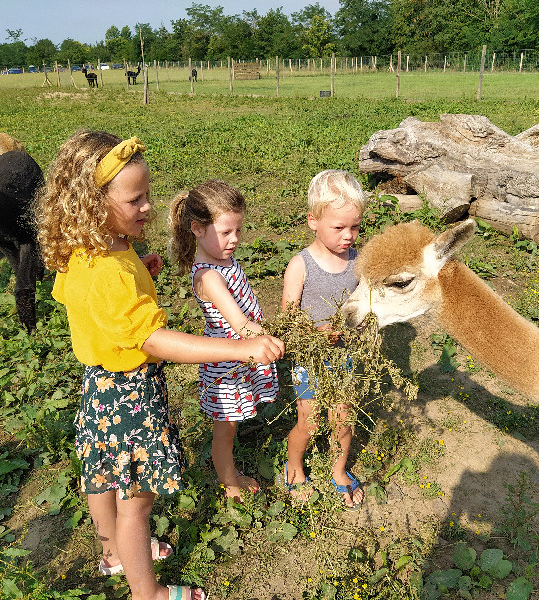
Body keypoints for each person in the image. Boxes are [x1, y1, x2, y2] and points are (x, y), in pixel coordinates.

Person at [35, 131, 284, 600]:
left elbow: (88, 303)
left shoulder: (93, 249)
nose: (148, 206)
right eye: (136, 199)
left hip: (99, 387)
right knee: (137, 501)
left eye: (147, 194)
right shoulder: (108, 269)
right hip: (130, 395)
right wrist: (239, 349)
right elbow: (152, 340)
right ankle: (146, 593)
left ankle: (112, 553)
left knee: (105, 478)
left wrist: (140, 271)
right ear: (93, 202)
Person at [168, 180, 279, 502]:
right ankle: (229, 483)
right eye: (226, 232)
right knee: (224, 431)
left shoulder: (224, 262)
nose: (234, 240)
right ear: (197, 229)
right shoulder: (209, 276)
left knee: (232, 424)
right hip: (227, 365)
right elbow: (240, 325)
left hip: (241, 358)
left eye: (238, 231)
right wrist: (275, 337)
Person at [279, 169, 368, 510]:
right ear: (313, 221)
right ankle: (295, 466)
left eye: (355, 227)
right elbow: (288, 319)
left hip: (345, 357)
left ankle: (339, 470)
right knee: (311, 419)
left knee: (343, 416)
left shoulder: (358, 261)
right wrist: (317, 333)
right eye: (339, 227)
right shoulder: (301, 265)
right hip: (311, 360)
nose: (349, 236)